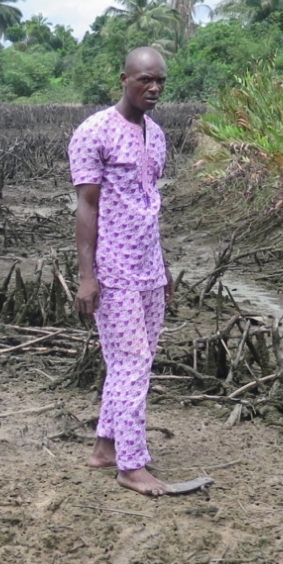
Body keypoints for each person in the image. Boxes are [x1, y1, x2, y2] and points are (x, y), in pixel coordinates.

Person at [67, 47, 174, 497]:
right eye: (144, 80)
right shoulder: (95, 132)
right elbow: (86, 207)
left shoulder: (158, 134)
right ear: (124, 79)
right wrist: (87, 276)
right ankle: (132, 465)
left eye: (161, 82)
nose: (153, 88)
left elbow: (149, 208)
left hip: (149, 269)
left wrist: (163, 272)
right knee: (131, 364)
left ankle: (106, 447)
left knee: (133, 362)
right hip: (113, 270)